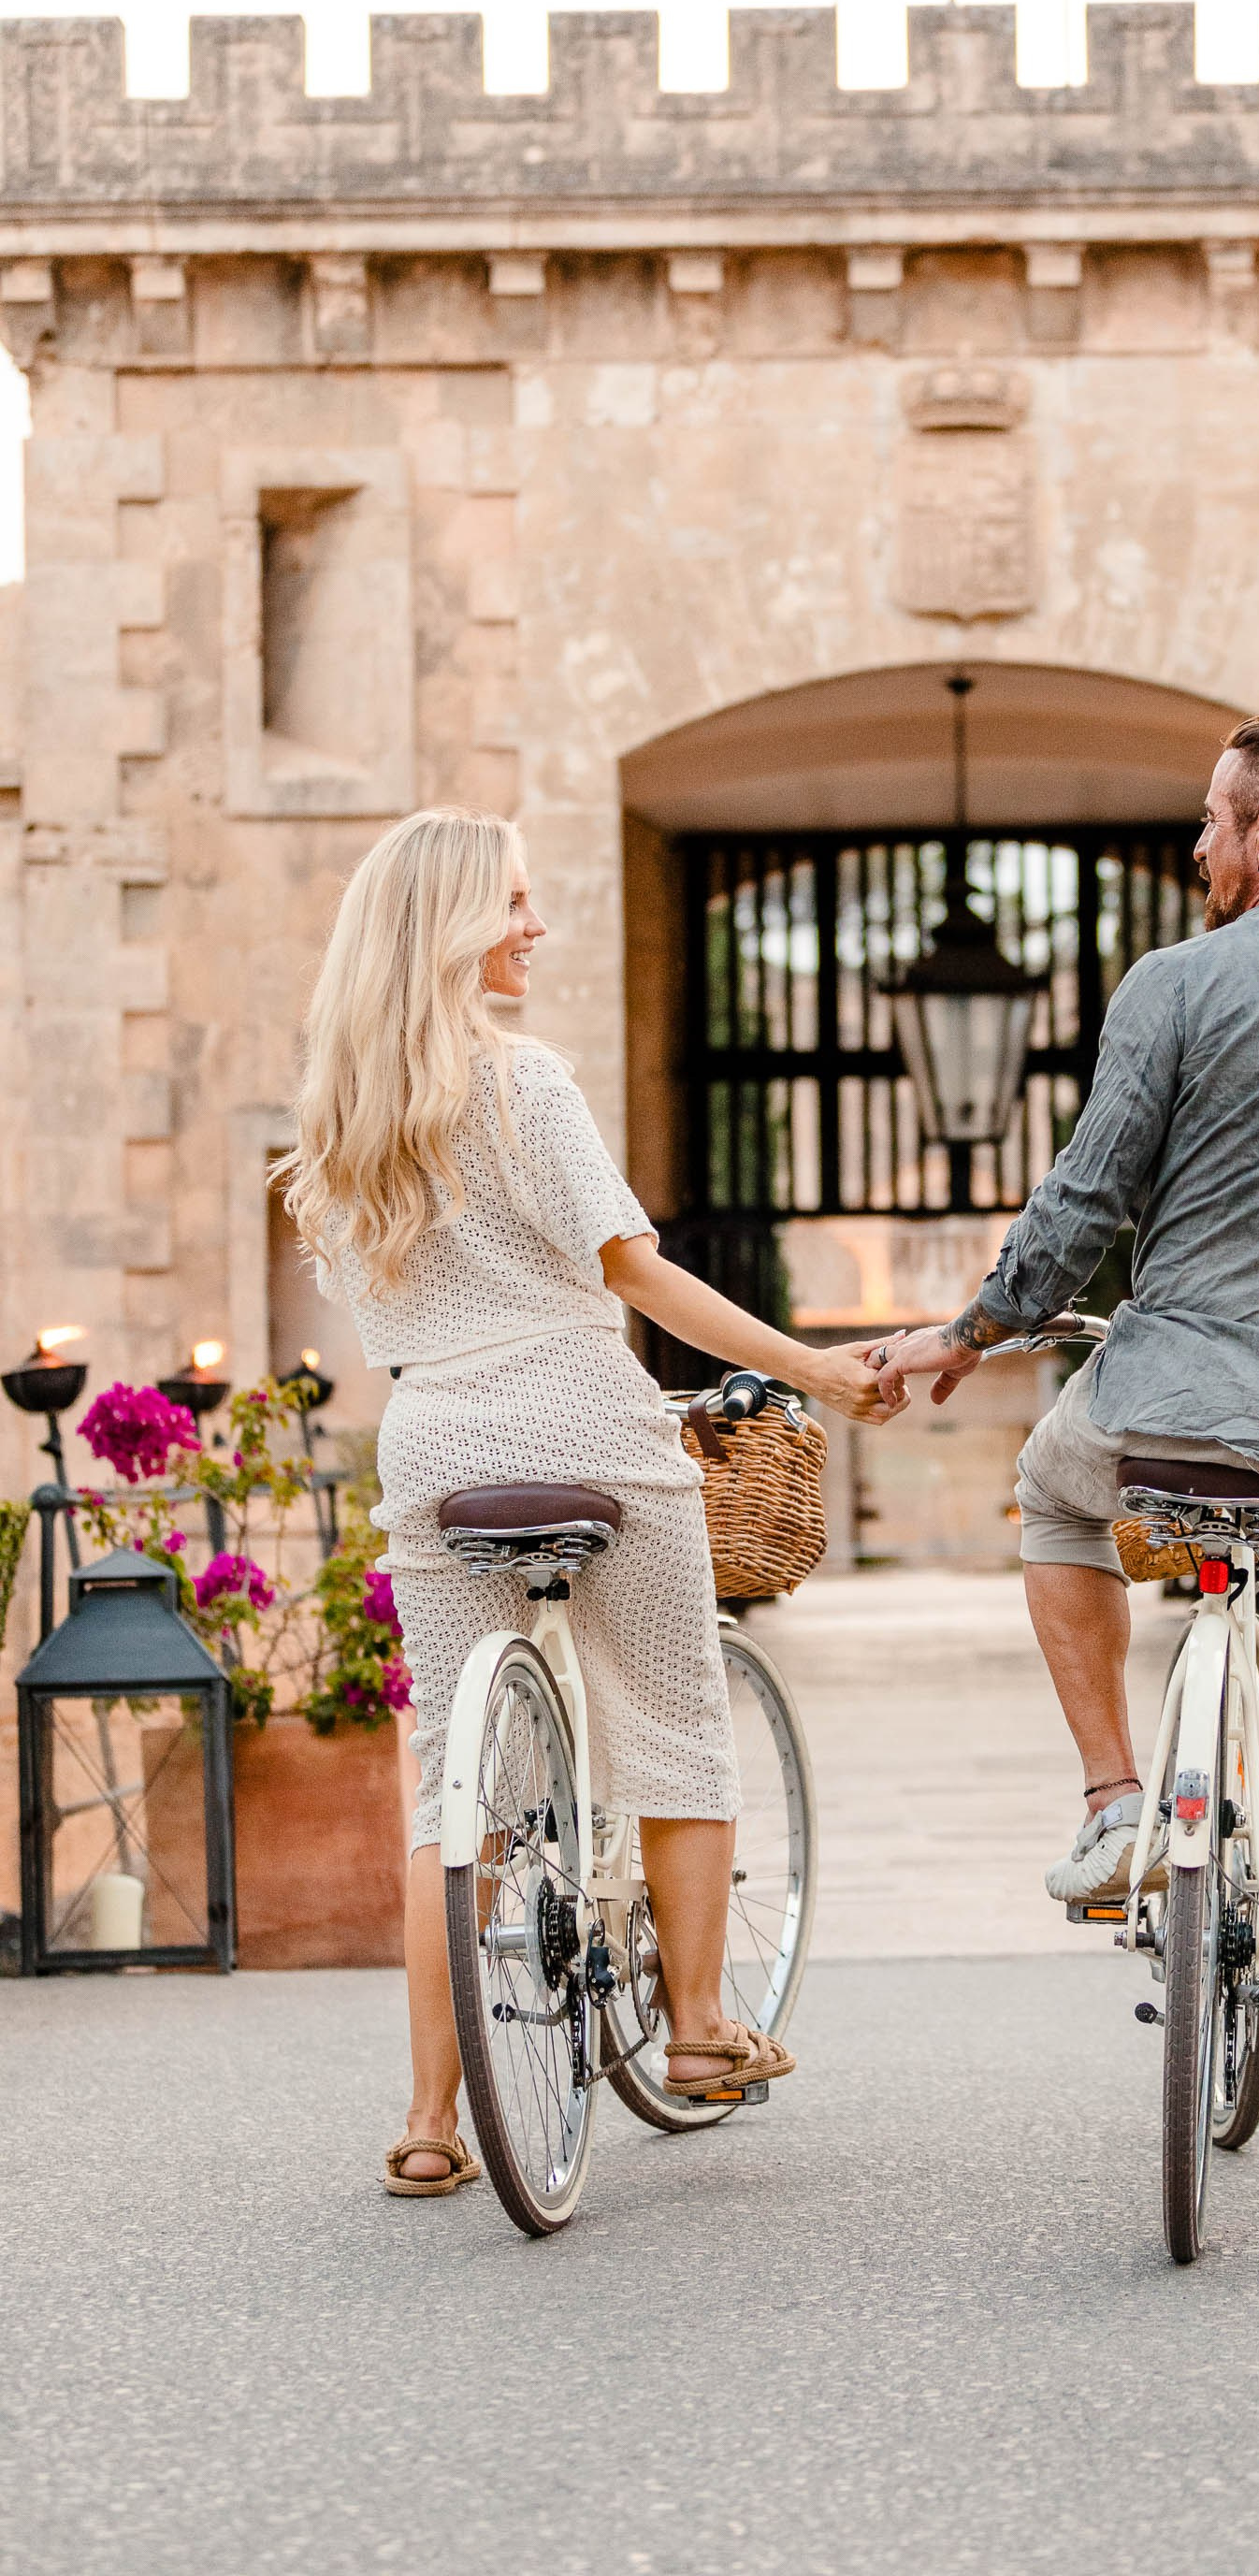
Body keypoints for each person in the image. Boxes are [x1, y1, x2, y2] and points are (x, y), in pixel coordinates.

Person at [871, 696, 1259, 2215]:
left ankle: (1110, 1801)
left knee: (1049, 1492)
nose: (1200, 846)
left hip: (1162, 1405)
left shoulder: (1175, 983)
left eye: (1215, 825)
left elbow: (1089, 1198)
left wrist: (971, 1333)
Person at [281, 808, 889, 2194]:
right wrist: (809, 1371)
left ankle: (433, 2120)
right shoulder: (523, 1083)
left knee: (452, 1778)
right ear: (451, 926)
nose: (535, 925)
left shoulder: (346, 1110)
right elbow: (631, 1272)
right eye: (513, 902)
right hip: (577, 1409)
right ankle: (694, 2029)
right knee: (674, 1712)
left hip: (431, 1433)